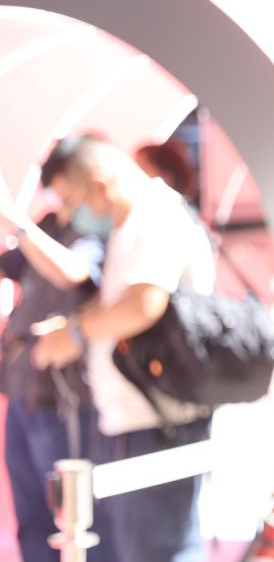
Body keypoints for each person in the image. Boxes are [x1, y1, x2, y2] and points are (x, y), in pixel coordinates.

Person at [30, 134, 215, 562]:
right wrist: (74, 327)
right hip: (138, 419)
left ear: (98, 183)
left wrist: (75, 335)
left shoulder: (154, 215)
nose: (74, 215)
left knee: (162, 550)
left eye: (73, 202)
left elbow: (143, 303)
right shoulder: (133, 222)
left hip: (160, 421)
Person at [0, 166, 119, 562]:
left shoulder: (98, 232)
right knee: (32, 518)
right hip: (23, 391)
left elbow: (74, 273)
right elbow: (11, 264)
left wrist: (17, 225)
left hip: (66, 396)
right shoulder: (46, 225)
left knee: (77, 521)